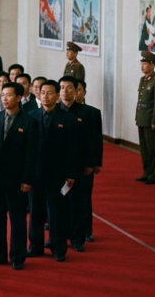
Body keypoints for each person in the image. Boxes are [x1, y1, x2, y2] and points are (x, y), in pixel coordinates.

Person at [0, 82, 38, 270]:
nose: (5, 98)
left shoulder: (29, 122)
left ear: (18, 97)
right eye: (3, 95)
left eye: (9, 95)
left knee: (17, 220)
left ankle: (18, 255)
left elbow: (31, 154)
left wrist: (27, 179)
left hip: (17, 180)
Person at [27, 80, 78, 262]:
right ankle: (36, 246)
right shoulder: (31, 116)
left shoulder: (68, 119)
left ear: (57, 96)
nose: (45, 96)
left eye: (50, 93)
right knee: (35, 211)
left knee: (57, 212)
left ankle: (58, 248)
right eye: (43, 92)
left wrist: (71, 174)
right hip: (35, 173)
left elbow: (72, 149)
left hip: (58, 174)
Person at [57, 76, 97, 253]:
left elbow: (91, 140)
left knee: (78, 203)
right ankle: (59, 236)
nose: (65, 91)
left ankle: (77, 238)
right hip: (58, 166)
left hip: (80, 167)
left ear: (76, 91)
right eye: (62, 87)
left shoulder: (86, 113)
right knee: (59, 203)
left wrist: (90, 163)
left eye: (69, 87)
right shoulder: (54, 110)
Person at [74, 80, 102, 243]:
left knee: (84, 198)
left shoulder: (93, 113)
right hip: (65, 167)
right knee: (63, 195)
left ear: (84, 93)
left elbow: (96, 140)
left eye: (78, 90)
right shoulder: (60, 111)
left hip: (85, 165)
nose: (74, 93)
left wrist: (95, 162)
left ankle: (86, 230)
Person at [136, 51, 155, 185]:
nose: (142, 66)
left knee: (153, 149)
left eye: (145, 64)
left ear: (152, 65)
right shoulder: (143, 80)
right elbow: (140, 100)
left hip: (151, 120)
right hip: (142, 118)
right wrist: (137, 117)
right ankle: (146, 173)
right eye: (141, 63)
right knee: (144, 149)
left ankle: (153, 176)